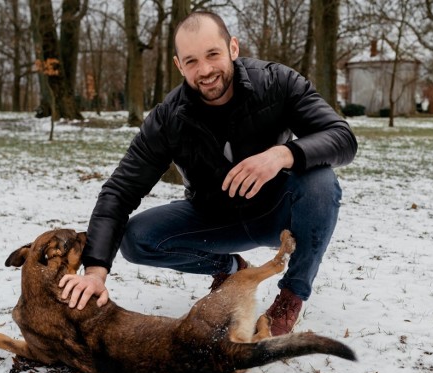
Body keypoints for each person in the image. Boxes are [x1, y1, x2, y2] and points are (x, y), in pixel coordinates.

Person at [59, 11, 357, 336]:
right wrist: (96, 271)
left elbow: (342, 137)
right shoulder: (168, 119)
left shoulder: (277, 83)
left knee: (320, 180)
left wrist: (283, 154)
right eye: (191, 61)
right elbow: (120, 191)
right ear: (178, 65)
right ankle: (229, 269)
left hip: (279, 215)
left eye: (212, 54)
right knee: (136, 239)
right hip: (213, 218)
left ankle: (291, 295)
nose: (205, 71)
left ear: (232, 47)